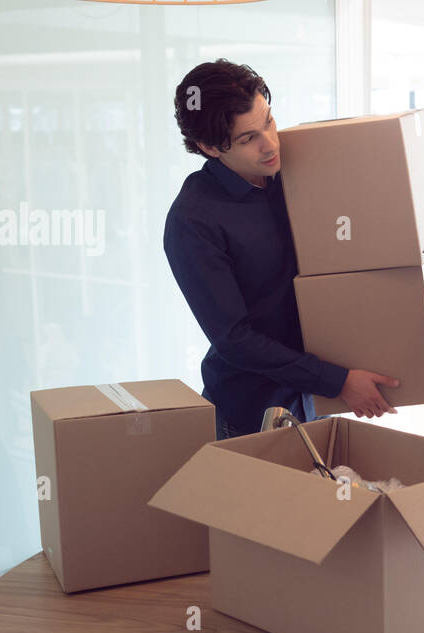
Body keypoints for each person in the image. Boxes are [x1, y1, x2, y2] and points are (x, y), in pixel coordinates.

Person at [164, 59, 399, 439]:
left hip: (320, 392)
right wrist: (338, 381)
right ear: (209, 147)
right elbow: (234, 339)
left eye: (269, 121)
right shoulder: (193, 221)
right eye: (248, 138)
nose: (270, 143)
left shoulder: (295, 173)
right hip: (251, 413)